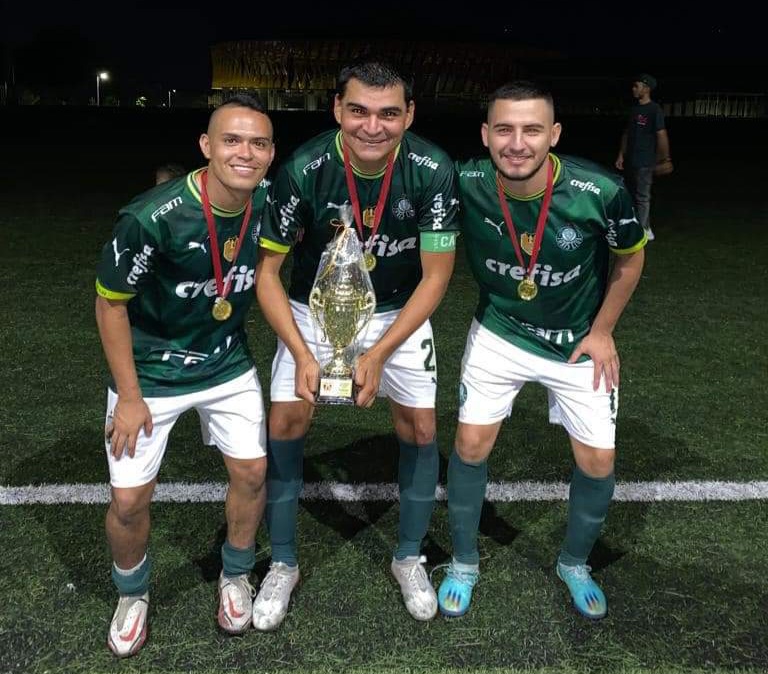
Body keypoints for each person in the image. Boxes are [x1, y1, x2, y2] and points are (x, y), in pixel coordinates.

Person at [253, 61, 460, 629]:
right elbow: (267, 275)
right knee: (285, 423)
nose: (373, 126)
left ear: (409, 114)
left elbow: (436, 277)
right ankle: (284, 563)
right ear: (337, 110)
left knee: (421, 430)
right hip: (314, 310)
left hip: (397, 312)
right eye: (359, 111)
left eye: (389, 113)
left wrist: (377, 353)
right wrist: (302, 353)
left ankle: (408, 557)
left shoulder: (432, 169)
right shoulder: (304, 168)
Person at [438, 81, 646, 620]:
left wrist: (603, 331)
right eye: (504, 129)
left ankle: (575, 563)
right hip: (499, 333)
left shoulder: (600, 190)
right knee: (470, 445)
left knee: (598, 461)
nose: (517, 143)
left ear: (553, 134)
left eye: (531, 130)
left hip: (576, 342)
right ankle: (464, 561)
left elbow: (630, 258)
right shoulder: (467, 182)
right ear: (485, 134)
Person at [95, 94, 275, 657]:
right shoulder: (151, 218)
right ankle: (132, 594)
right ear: (206, 146)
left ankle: (235, 574)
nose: (245, 153)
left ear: (271, 153)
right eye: (232, 140)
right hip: (151, 373)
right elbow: (110, 304)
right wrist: (129, 396)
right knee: (129, 502)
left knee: (252, 473)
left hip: (226, 363)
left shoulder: (270, 202)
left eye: (258, 143)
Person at [615, 73, 671, 241]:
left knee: (643, 196)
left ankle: (645, 229)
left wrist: (665, 159)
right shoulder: (634, 110)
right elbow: (627, 133)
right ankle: (633, 225)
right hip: (631, 160)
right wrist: (621, 155)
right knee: (631, 194)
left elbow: (661, 134)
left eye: (636, 86)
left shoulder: (654, 110)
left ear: (646, 89)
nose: (633, 89)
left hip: (645, 161)